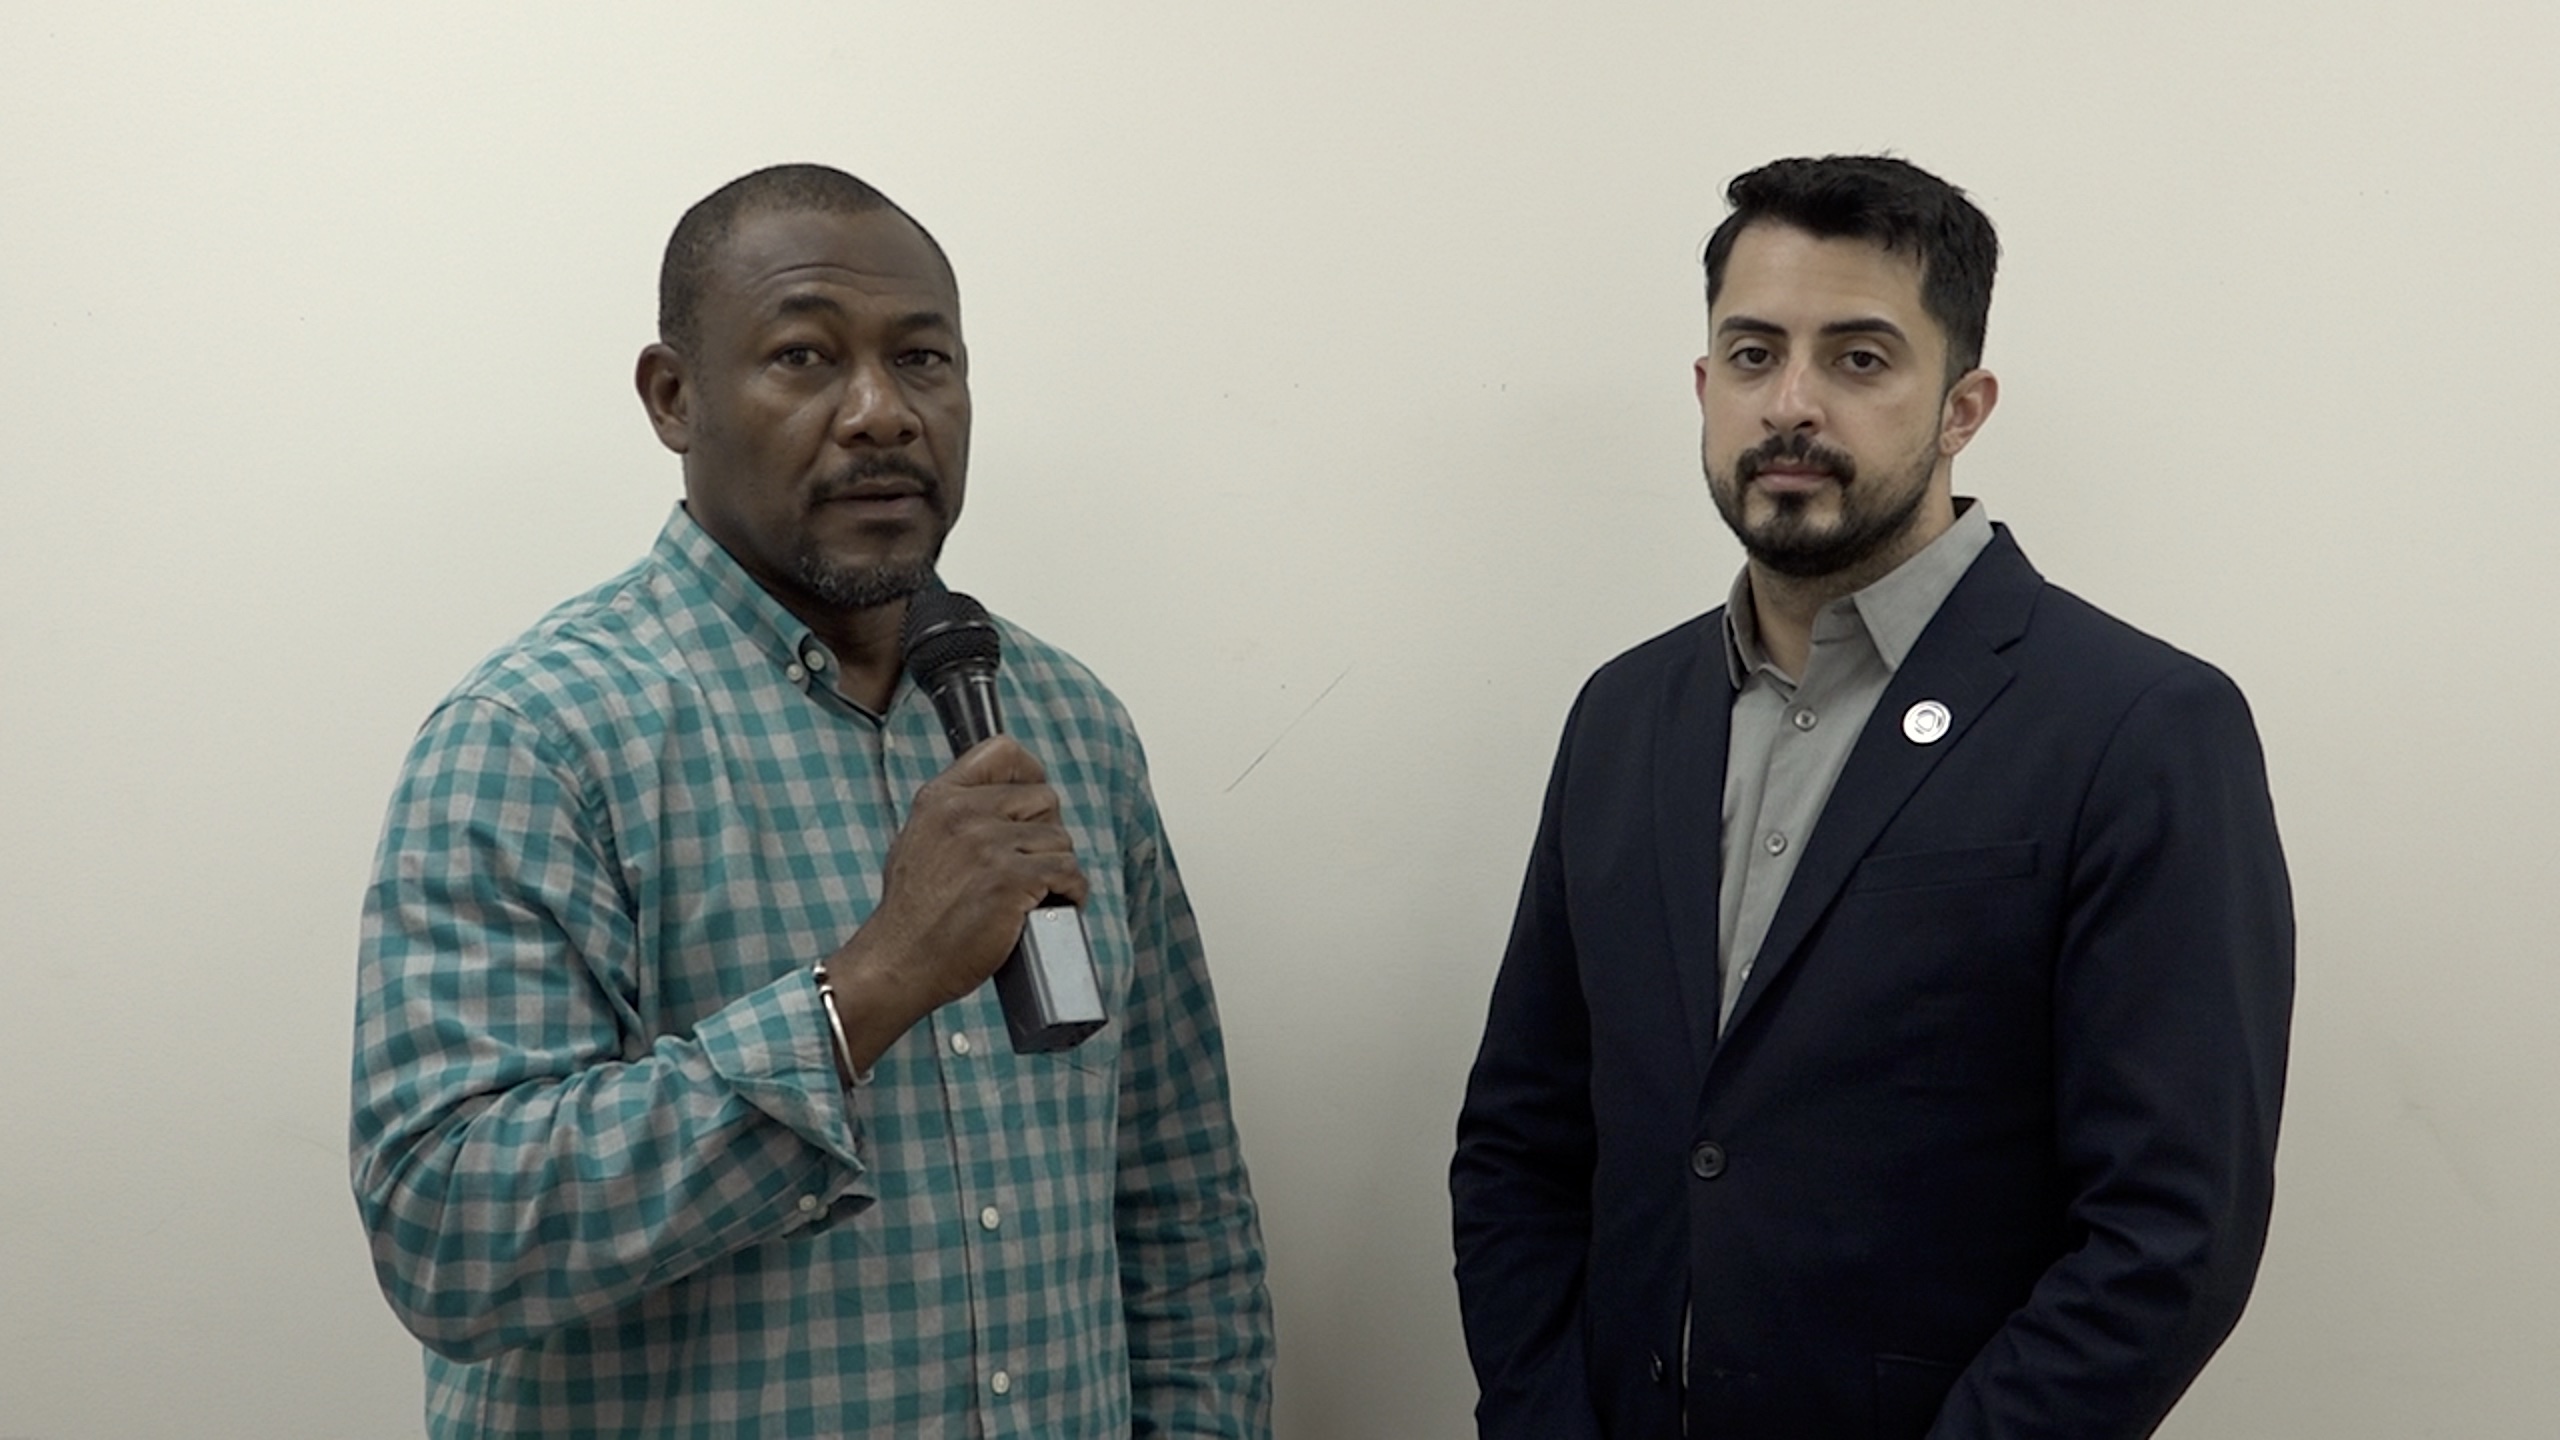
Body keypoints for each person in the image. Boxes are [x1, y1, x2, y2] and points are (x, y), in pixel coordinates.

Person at [351, 163, 1274, 1438]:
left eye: (924, 360)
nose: (882, 414)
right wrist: (870, 985)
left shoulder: (1071, 725)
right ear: (673, 398)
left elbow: (1180, 1204)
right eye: (804, 357)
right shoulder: (537, 738)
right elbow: (448, 1237)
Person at [1449, 155, 2293, 1439]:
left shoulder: (2138, 726)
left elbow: (2172, 1231)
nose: (1791, 404)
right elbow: (1522, 1140)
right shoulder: (1624, 715)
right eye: (1752, 355)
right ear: (1704, 387)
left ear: (1962, 407)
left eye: (1858, 359)